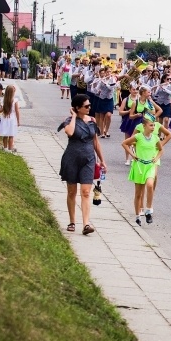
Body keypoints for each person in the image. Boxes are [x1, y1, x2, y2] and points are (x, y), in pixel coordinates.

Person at [58, 94, 106, 236]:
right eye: (86, 106)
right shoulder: (69, 120)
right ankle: (72, 221)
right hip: (72, 158)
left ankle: (86, 224)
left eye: (89, 105)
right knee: (72, 192)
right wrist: (73, 116)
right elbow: (70, 132)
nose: (89, 108)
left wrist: (102, 160)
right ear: (77, 108)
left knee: (86, 192)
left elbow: (96, 142)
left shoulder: (92, 120)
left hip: (89, 159)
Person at [122, 113, 164, 226]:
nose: (153, 128)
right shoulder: (138, 136)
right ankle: (137, 216)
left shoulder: (155, 137)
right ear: (144, 126)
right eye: (151, 125)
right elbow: (125, 144)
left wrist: (156, 158)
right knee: (138, 193)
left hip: (150, 165)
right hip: (139, 166)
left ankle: (148, 209)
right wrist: (132, 155)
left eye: (154, 126)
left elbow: (161, 150)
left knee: (150, 184)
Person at [0, 85, 20, 152]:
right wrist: (18, 121)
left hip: (5, 118)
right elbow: (17, 111)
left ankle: (5, 148)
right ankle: (10, 149)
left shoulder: (4, 100)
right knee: (11, 135)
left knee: (5, 135)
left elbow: (1, 110)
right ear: (13, 92)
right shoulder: (15, 100)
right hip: (12, 119)